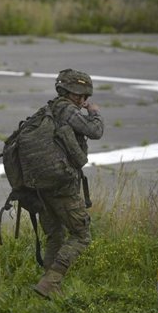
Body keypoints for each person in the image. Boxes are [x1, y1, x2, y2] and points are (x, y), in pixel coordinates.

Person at [32, 69, 104, 298]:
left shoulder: (49, 109)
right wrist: (95, 113)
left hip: (41, 187)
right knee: (81, 235)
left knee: (55, 235)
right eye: (83, 96)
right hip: (62, 185)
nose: (85, 101)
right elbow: (95, 131)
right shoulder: (67, 111)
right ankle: (51, 282)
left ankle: (49, 287)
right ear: (76, 93)